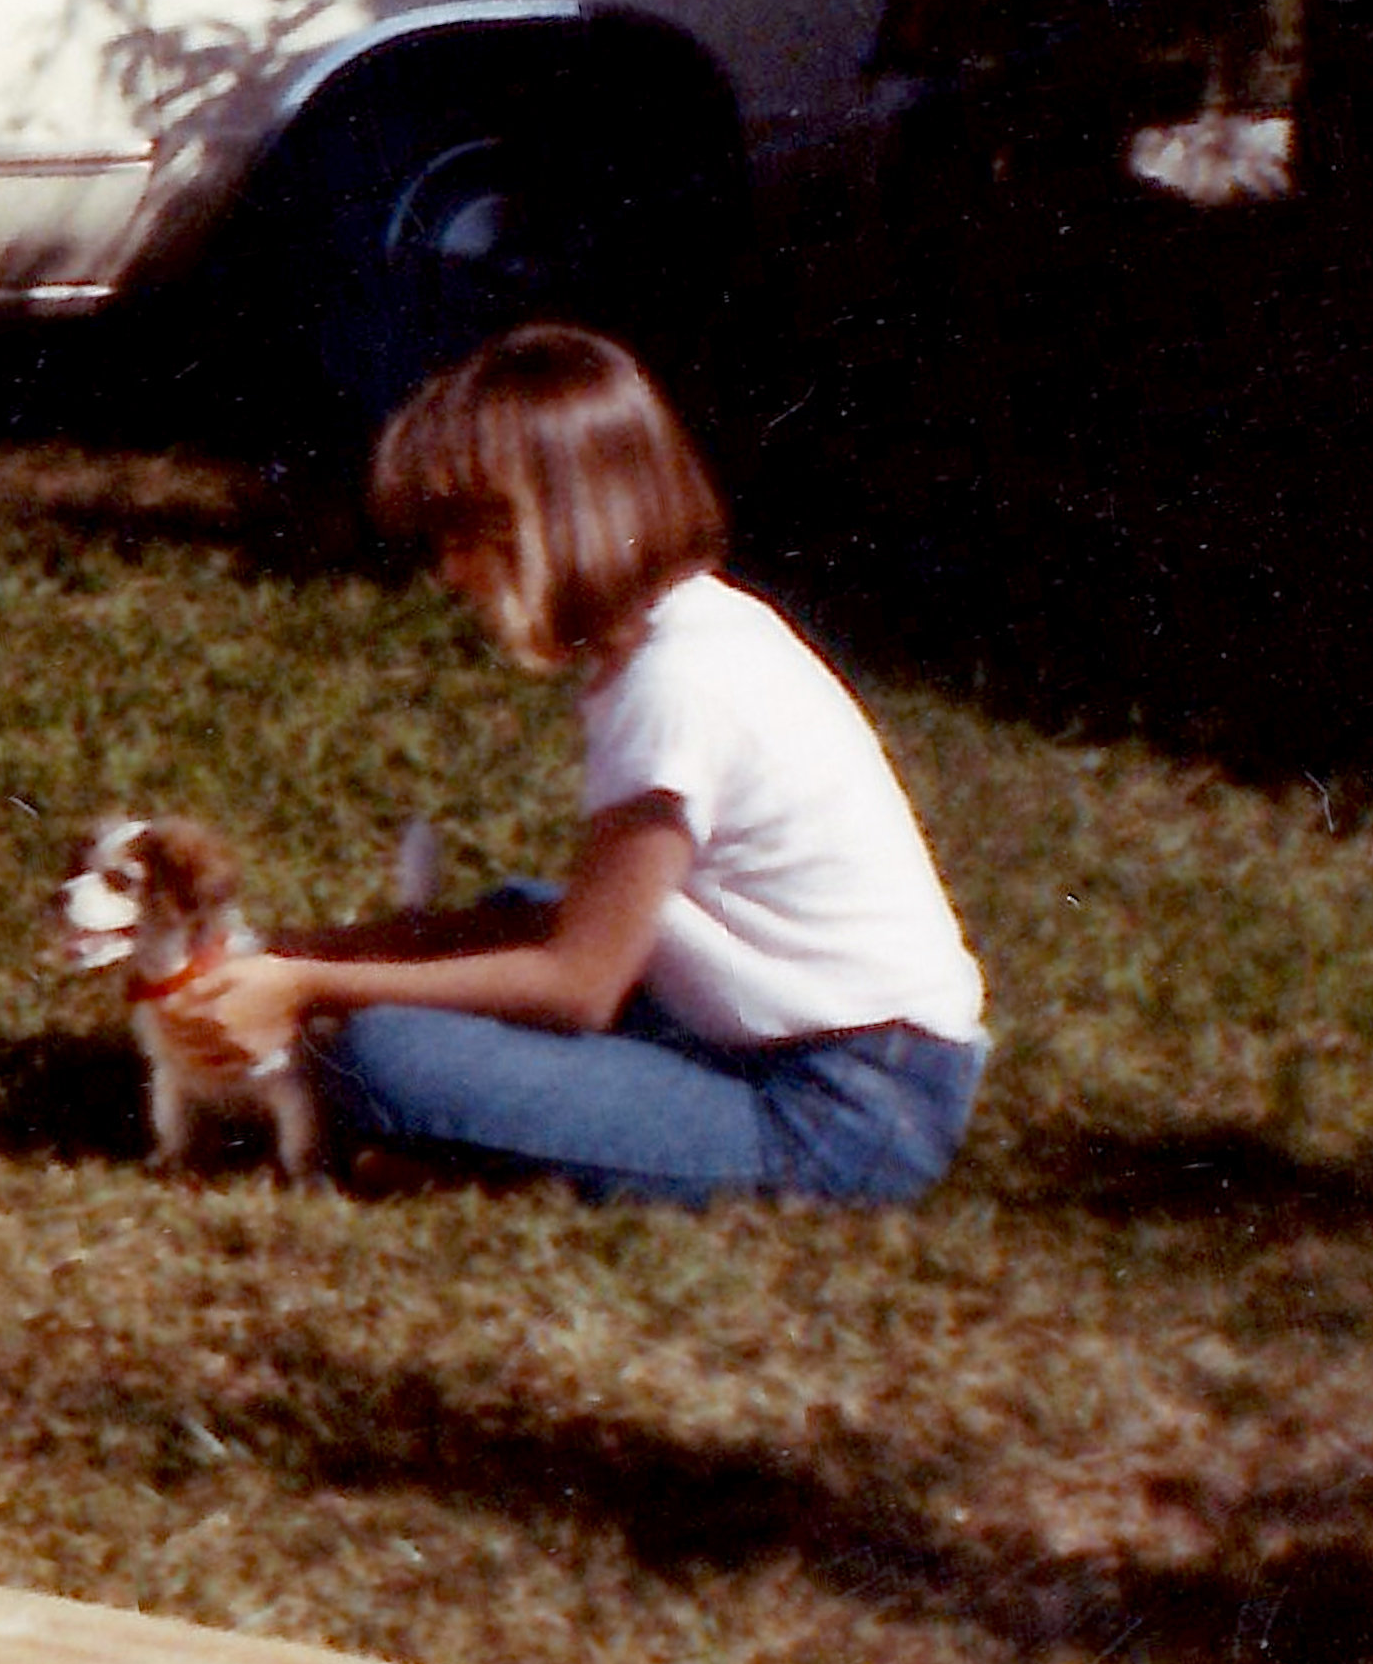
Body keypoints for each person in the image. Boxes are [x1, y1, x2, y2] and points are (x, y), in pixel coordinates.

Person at [163, 326, 985, 1206]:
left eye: (463, 540)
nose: (450, 574)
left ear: (546, 523)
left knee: (382, 1057)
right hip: (833, 1055)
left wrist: (307, 986)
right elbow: (573, 942)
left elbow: (579, 986)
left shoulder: (677, 687)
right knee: (516, 915)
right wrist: (288, 955)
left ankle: (464, 1144)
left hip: (837, 1110)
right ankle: (486, 1143)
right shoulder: (694, 631)